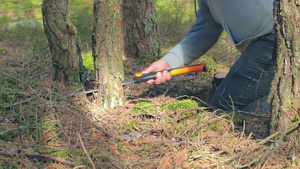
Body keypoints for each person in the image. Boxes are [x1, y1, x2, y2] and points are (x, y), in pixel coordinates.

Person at [142, 0, 275, 113]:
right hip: (259, 47)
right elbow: (205, 29)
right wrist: (168, 62)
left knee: (224, 107)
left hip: (274, 38)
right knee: (229, 106)